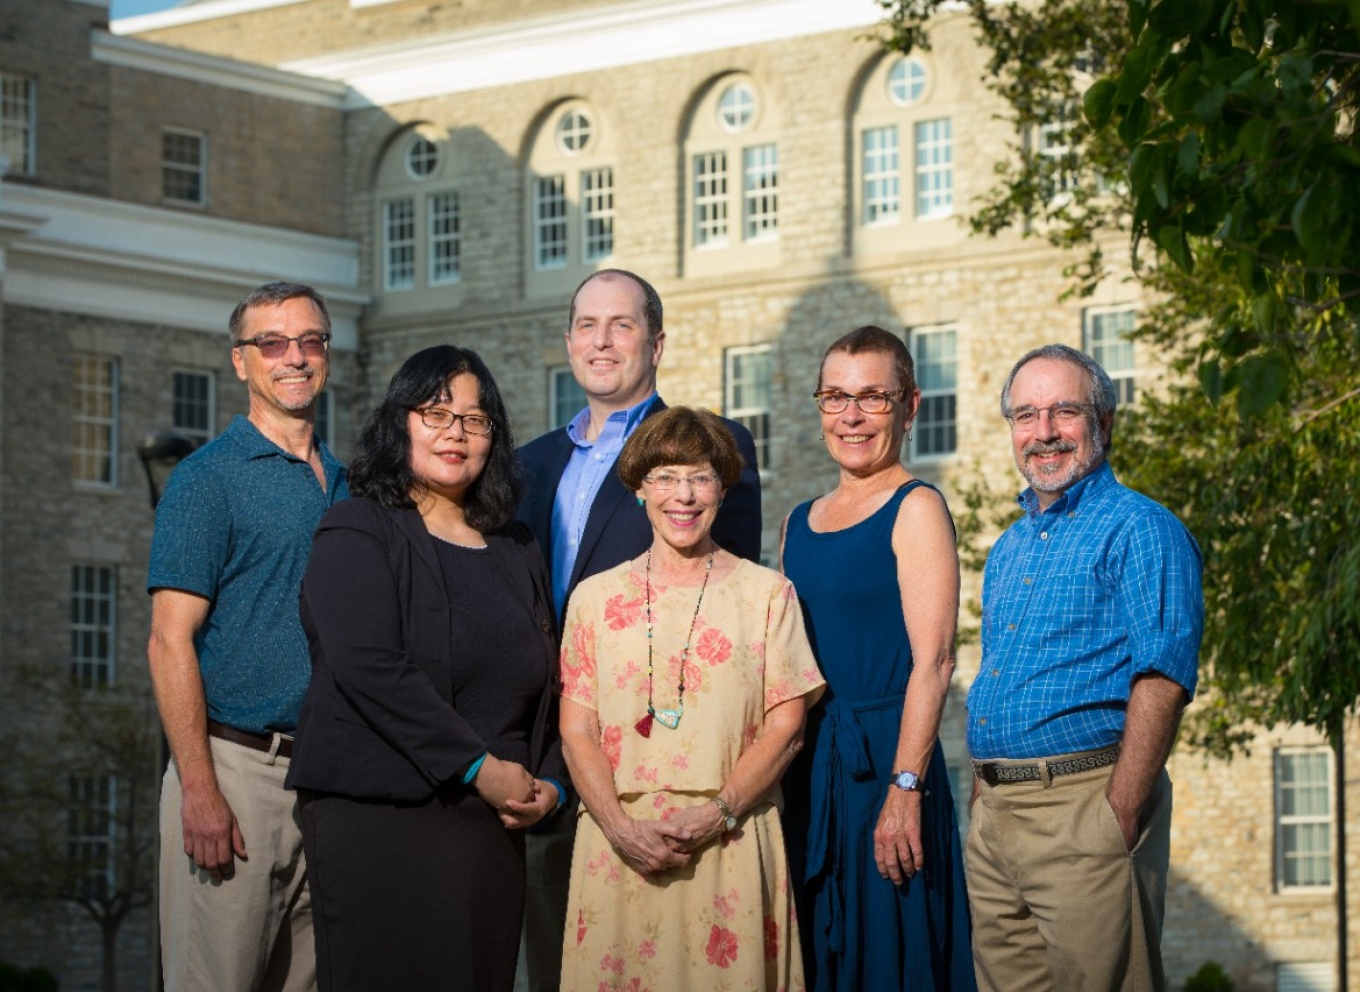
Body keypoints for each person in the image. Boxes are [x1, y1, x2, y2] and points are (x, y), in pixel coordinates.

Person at [284, 345, 568, 992]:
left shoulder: (515, 546)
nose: (456, 434)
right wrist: (477, 767)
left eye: (474, 420)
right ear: (399, 423)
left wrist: (550, 782)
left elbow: (547, 678)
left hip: (492, 829)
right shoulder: (355, 529)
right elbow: (367, 668)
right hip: (381, 821)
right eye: (436, 413)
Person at [515, 268, 763, 992]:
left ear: (655, 343)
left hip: (659, 759)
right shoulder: (527, 464)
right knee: (563, 962)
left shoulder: (707, 453)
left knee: (668, 960)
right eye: (588, 325)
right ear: (568, 342)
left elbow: (728, 606)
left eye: (620, 325)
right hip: (545, 755)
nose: (602, 341)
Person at [557, 406, 825, 992]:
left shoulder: (768, 596)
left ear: (723, 489)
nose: (683, 495)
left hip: (729, 841)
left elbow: (787, 730)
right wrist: (620, 827)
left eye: (700, 477)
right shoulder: (593, 600)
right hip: (617, 845)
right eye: (665, 477)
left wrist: (718, 810)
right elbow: (576, 731)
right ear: (638, 488)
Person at [965, 343, 1203, 992]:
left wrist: (1119, 814)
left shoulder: (1141, 529)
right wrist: (982, 798)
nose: (1043, 433)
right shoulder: (1007, 549)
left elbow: (1164, 676)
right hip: (996, 819)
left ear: (1104, 423)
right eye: (1025, 415)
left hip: (1084, 809)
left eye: (1064, 412)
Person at [147, 281, 347, 992]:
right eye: (272, 343)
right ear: (241, 362)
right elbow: (169, 641)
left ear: (328, 355)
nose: (294, 357)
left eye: (310, 341)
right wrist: (199, 790)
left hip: (327, 783)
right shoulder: (207, 478)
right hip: (235, 774)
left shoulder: (351, 486)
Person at [780, 326, 975, 992]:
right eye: (835, 397)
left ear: (910, 405)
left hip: (889, 768)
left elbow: (936, 662)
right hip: (812, 773)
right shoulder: (797, 522)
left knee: (893, 955)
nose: (851, 416)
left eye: (872, 398)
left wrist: (905, 789)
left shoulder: (915, 508)